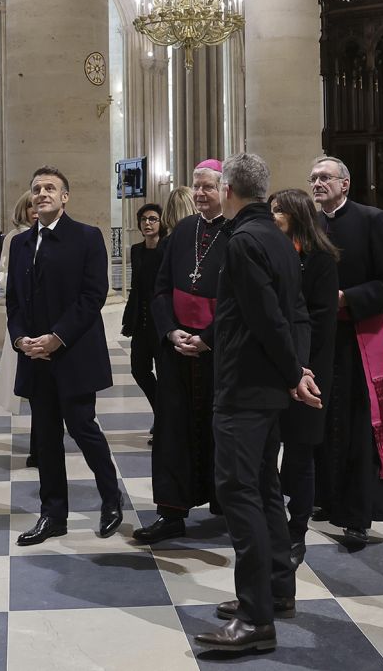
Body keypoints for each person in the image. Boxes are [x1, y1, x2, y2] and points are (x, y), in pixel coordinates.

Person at [193, 152, 319, 654]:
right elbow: (293, 314)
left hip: (244, 388)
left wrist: (293, 372)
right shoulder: (278, 237)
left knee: (239, 494)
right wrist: (296, 371)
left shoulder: (243, 240)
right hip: (267, 387)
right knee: (266, 489)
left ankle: (254, 618)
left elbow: (268, 318)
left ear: (227, 190)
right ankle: (276, 592)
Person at [6, 166, 122, 545]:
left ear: (65, 197)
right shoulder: (21, 243)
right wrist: (22, 339)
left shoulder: (87, 237)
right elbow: (14, 302)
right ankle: (53, 515)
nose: (42, 193)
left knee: (83, 428)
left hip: (72, 353)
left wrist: (56, 338)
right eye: (37, 188)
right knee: (47, 440)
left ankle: (111, 500)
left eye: (51, 188)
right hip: (35, 356)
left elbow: (93, 295)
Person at [309, 156, 383, 545]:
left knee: (358, 426)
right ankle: (324, 497)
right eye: (313, 178)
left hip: (358, 338)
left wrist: (346, 298)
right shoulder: (310, 224)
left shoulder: (371, 220)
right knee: (321, 419)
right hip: (319, 339)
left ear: (344, 184)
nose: (317, 183)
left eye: (325, 178)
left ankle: (357, 512)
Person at [134, 160, 226, 544]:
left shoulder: (239, 232)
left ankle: (228, 507)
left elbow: (243, 301)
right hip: (176, 353)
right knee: (173, 432)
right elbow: (159, 290)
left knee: (221, 433)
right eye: (196, 187)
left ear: (226, 190)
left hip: (219, 353)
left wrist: (208, 337)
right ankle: (171, 513)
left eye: (208, 187)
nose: (201, 193)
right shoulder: (184, 230)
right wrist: (171, 331)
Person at [268, 188, 340, 567]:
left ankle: (297, 532)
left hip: (308, 370)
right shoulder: (271, 253)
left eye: (277, 211)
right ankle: (272, 523)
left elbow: (320, 320)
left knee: (300, 452)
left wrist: (298, 369)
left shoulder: (321, 259)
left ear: (295, 216)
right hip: (276, 367)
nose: (272, 216)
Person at [0, 190, 37, 464]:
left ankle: (43, 443)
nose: (35, 210)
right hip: (24, 318)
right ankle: (38, 446)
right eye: (30, 206)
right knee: (31, 387)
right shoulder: (15, 238)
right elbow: (2, 274)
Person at [120, 202, 164, 425]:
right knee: (139, 369)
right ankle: (161, 412)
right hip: (141, 321)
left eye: (153, 219)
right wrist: (129, 318)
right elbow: (136, 287)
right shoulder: (136, 250)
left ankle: (164, 422)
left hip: (163, 323)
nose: (147, 223)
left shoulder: (167, 249)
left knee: (166, 376)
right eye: (144, 219)